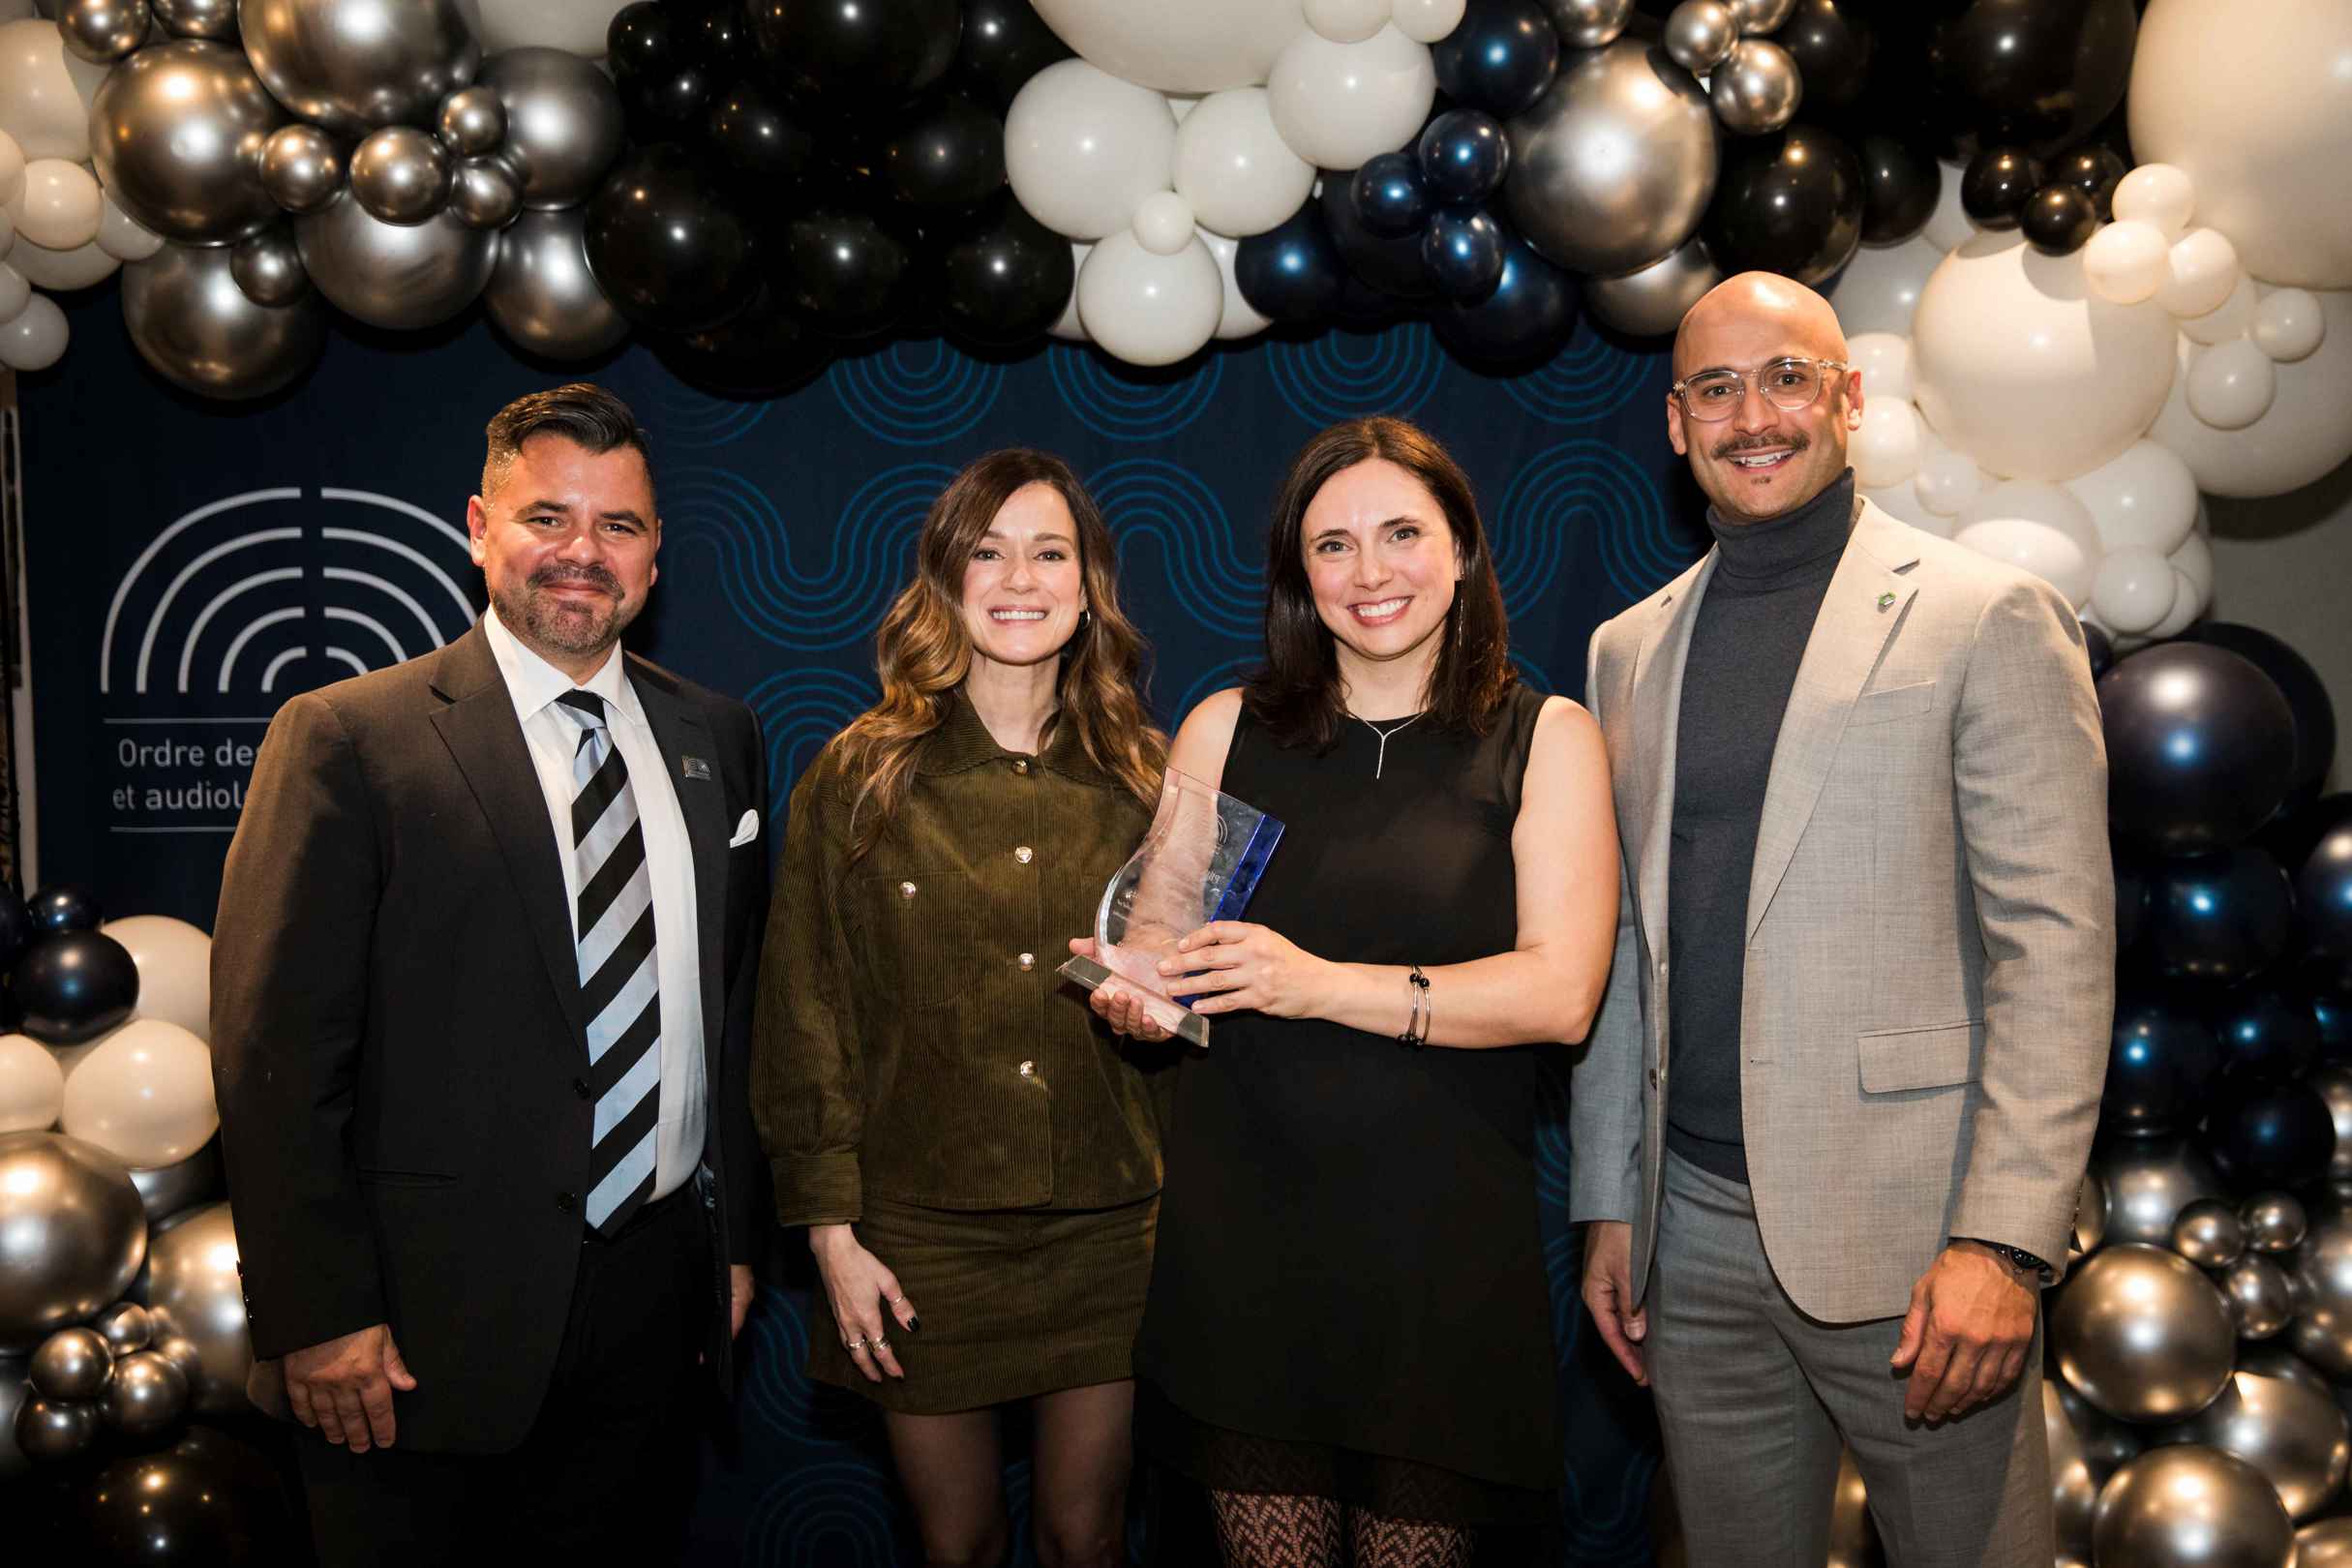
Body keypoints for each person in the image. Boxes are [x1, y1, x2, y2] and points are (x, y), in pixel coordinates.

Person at [1572, 273, 2113, 1564]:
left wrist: (2002, 1243)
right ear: (1675, 423)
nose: (1752, 416)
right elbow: (1623, 947)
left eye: (1786, 378)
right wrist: (1610, 1197)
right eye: (1715, 388)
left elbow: (2055, 947)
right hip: (1689, 1234)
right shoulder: (1626, 649)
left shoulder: (1985, 613)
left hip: (1920, 1238)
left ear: (1849, 397)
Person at [211, 384, 769, 1563]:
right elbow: (275, 1057)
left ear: (655, 555)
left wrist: (727, 1244)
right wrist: (319, 1315)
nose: (583, 552)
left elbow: (725, 1012)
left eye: (619, 526)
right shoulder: (349, 736)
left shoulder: (714, 735)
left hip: (654, 1308)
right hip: (414, 1333)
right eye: (547, 517)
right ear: (479, 527)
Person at [1090, 417, 1620, 1567]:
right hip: (1245, 1251)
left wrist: (1317, 985)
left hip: (1439, 1264)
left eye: (1401, 534)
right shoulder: (1225, 730)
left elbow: (1561, 993)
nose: (1370, 572)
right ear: (1299, 573)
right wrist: (1138, 991)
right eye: (1333, 545)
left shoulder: (1546, 738)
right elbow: (1160, 945)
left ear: (1462, 550)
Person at [753, 449, 1172, 1568]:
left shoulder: (1150, 778)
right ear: (945, 578)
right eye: (988, 553)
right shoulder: (860, 775)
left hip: (1108, 1227)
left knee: (1087, 1540)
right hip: (918, 1235)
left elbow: (1195, 1001)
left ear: (1088, 586)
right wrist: (830, 1235)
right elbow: (803, 1016)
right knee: (957, 1547)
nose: (1020, 580)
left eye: (1050, 553)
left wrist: (1169, 1011)